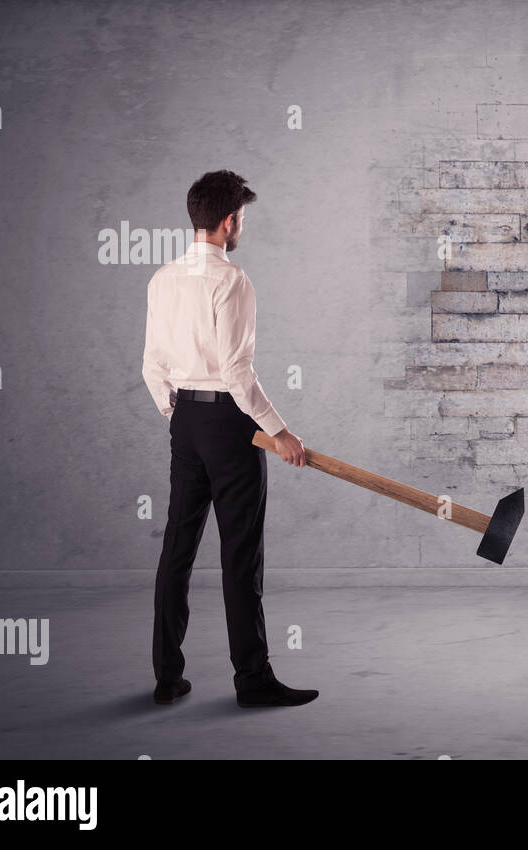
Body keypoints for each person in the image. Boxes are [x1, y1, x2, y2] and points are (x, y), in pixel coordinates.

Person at [142, 169, 318, 708]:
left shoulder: (162, 278)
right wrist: (279, 431)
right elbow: (238, 372)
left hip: (185, 422)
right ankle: (253, 681)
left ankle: (167, 678)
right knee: (240, 555)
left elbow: (151, 366)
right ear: (228, 221)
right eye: (241, 219)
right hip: (230, 423)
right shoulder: (233, 280)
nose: (241, 228)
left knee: (177, 549)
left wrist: (180, 414)